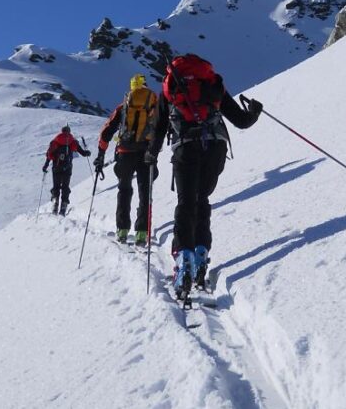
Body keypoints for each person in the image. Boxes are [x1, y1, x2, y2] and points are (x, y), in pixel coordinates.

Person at [145, 54, 262, 298]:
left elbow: (158, 127)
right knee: (202, 200)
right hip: (215, 148)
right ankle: (200, 256)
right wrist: (254, 110)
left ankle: (184, 262)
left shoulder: (171, 86)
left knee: (186, 203)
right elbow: (241, 121)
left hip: (185, 148)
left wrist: (151, 156)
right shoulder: (212, 83)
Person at [94, 74, 158, 246]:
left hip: (125, 152)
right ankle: (142, 233)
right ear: (145, 86)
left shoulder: (124, 106)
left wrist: (101, 154)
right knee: (145, 192)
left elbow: (107, 132)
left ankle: (122, 229)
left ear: (131, 87)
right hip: (146, 153)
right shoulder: (153, 105)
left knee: (124, 189)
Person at [42, 125, 90, 216]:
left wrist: (45, 166)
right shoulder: (73, 141)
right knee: (65, 186)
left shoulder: (55, 141)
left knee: (56, 186)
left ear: (62, 131)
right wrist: (87, 153)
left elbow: (49, 155)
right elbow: (83, 153)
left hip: (56, 168)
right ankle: (64, 205)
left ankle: (55, 203)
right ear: (69, 131)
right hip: (68, 168)